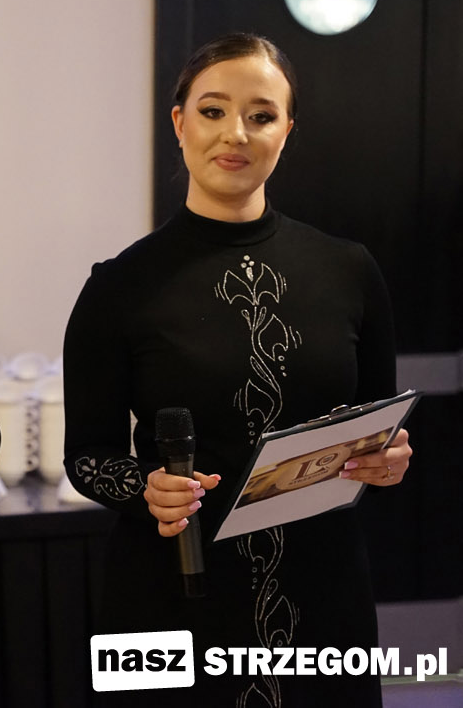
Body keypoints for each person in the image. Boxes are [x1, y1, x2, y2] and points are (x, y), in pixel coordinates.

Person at [62, 34, 412, 705]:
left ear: (287, 131)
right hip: (166, 589)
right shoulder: (119, 286)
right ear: (180, 122)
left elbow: (379, 425)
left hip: (322, 591)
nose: (237, 134)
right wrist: (145, 487)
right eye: (214, 110)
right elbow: (86, 456)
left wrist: (388, 459)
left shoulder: (350, 271)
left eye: (261, 115)